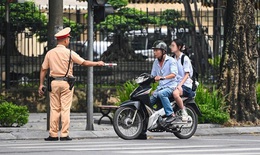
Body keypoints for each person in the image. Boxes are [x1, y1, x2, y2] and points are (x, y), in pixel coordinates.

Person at [38, 27, 105, 141]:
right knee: (65, 109)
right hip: (66, 83)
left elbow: (43, 69)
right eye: (68, 39)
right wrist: (97, 63)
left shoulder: (50, 53)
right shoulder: (69, 53)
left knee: (54, 109)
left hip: (53, 83)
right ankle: (64, 134)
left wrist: (40, 84)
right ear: (65, 40)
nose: (68, 41)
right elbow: (84, 62)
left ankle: (53, 135)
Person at [150, 40, 178, 123]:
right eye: (154, 50)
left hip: (171, 86)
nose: (154, 52)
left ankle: (171, 115)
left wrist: (162, 77)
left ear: (163, 51)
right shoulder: (155, 62)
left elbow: (173, 74)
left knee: (162, 94)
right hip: (160, 87)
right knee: (149, 101)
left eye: (156, 50)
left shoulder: (171, 61)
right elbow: (153, 76)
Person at [170, 39, 195, 122]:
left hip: (186, 85)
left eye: (173, 45)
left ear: (179, 47)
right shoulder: (172, 58)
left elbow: (187, 74)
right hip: (176, 84)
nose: (171, 47)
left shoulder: (185, 58)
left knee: (175, 94)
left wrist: (180, 85)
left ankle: (184, 111)